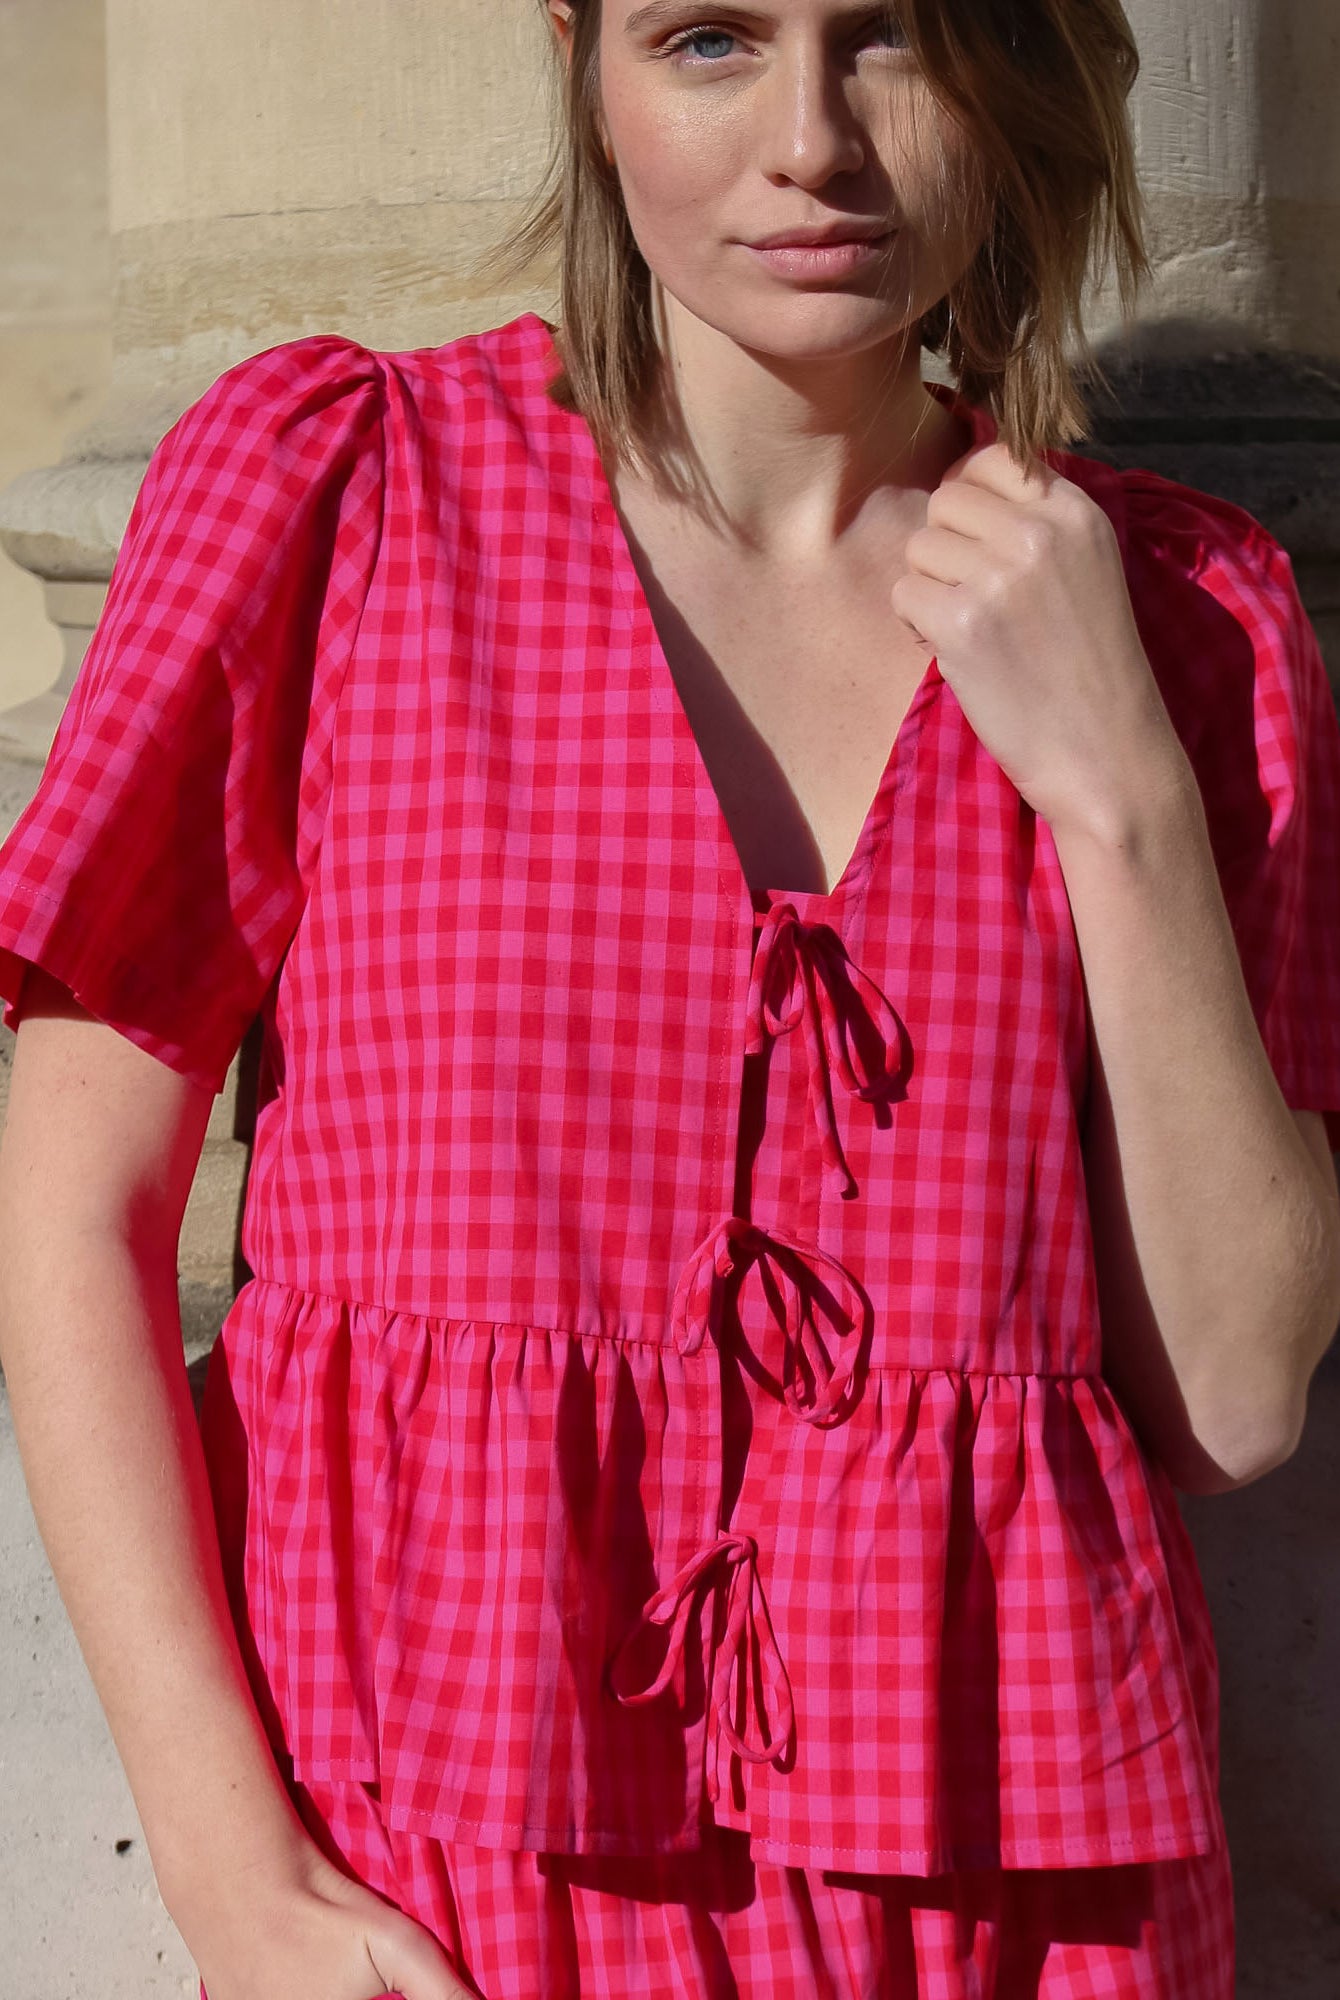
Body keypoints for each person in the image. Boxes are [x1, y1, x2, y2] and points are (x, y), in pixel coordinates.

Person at [0, 1, 1338, 1994]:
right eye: (710, 39)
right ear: (584, 63)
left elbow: (1232, 1396)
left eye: (890, 39)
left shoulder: (1182, 619)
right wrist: (229, 1872)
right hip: (448, 1877)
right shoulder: (347, 505)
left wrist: (1119, 788)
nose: (811, 140)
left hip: (1016, 1911)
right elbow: (75, 1210)